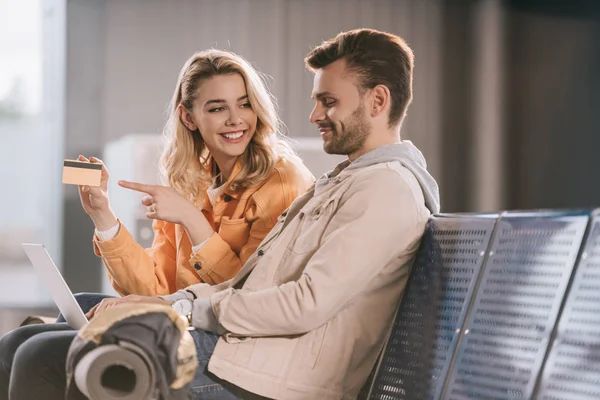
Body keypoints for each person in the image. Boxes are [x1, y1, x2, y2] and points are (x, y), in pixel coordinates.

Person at [0, 28, 440, 400]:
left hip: (274, 376)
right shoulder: (344, 182)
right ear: (188, 118)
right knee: (38, 339)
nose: (314, 115)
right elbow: (251, 283)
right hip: (246, 353)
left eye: (328, 101)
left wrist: (185, 312)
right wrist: (171, 303)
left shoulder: (385, 189)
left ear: (378, 101)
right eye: (317, 101)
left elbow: (304, 303)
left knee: (41, 357)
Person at [77, 49, 314, 297]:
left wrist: (191, 219)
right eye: (217, 109)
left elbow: (252, 296)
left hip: (234, 333)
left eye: (245, 104)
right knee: (81, 304)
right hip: (185, 318)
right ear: (188, 118)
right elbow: (154, 289)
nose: (236, 119)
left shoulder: (283, 180)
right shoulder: (190, 181)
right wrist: (102, 214)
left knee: (59, 334)